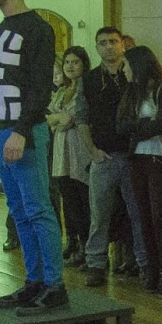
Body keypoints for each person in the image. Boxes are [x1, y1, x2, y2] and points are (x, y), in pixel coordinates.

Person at [0, 0, 66, 313]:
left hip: (22, 132)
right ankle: (34, 281)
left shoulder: (37, 29)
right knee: (18, 210)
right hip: (2, 131)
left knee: (38, 209)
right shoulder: (1, 29)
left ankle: (54, 284)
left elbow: (39, 87)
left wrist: (21, 130)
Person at [82, 27, 145, 289]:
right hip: (104, 156)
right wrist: (92, 150)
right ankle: (96, 264)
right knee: (99, 215)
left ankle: (144, 263)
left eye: (113, 41)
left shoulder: (133, 75)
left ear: (122, 45)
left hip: (132, 155)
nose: (108, 46)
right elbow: (81, 117)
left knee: (137, 213)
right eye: (102, 43)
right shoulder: (90, 79)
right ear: (97, 47)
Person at [119, 45, 162, 297]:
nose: (123, 69)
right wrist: (144, 124)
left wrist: (139, 127)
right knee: (143, 217)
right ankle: (152, 271)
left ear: (138, 65)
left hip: (158, 159)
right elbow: (120, 125)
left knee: (159, 218)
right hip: (137, 159)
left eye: (126, 65)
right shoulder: (131, 92)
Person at [47, 45, 93, 264]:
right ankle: (76, 242)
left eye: (75, 62)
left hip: (80, 147)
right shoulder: (62, 90)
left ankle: (89, 248)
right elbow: (51, 119)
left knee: (84, 200)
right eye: (67, 62)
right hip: (61, 150)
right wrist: (59, 120)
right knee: (70, 201)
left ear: (84, 64)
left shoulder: (87, 88)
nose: (70, 66)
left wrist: (60, 120)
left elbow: (72, 119)